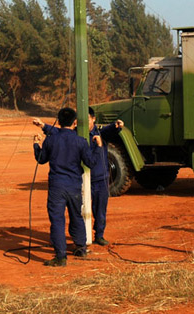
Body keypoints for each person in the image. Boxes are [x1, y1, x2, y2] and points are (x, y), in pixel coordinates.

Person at [33, 107, 98, 267]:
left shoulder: (51, 140)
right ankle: (80, 247)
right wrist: (98, 147)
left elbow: (41, 159)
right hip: (74, 185)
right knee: (76, 215)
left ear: (59, 121)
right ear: (75, 122)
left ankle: (61, 256)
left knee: (57, 220)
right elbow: (91, 162)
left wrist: (36, 145)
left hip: (57, 186)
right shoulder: (81, 141)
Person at [88, 107, 124, 246]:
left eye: (87, 119)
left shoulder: (100, 133)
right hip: (83, 179)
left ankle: (99, 235)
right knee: (79, 209)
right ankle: (81, 237)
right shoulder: (77, 134)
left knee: (100, 209)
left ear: (93, 119)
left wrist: (117, 126)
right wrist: (44, 127)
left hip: (100, 179)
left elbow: (110, 130)